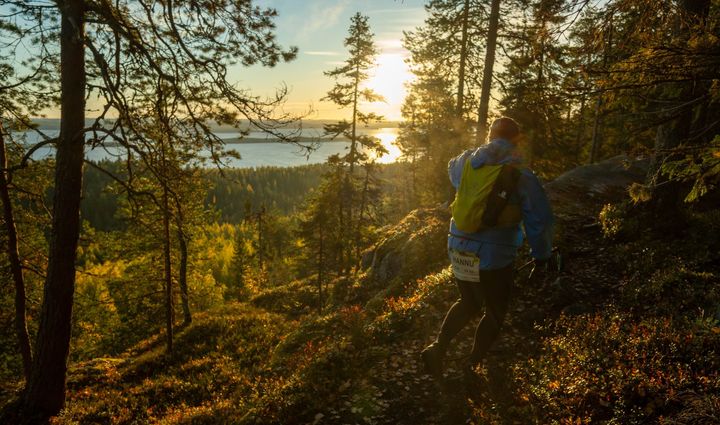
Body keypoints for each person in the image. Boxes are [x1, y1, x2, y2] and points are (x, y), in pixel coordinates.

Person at [421, 117, 554, 381]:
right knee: (495, 311)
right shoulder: (521, 175)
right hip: (494, 256)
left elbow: (451, 168)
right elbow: (539, 220)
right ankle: (472, 366)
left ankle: (437, 349)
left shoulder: (467, 162)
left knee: (469, 302)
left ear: (490, 137)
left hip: (459, 247)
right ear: (516, 140)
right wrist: (542, 256)